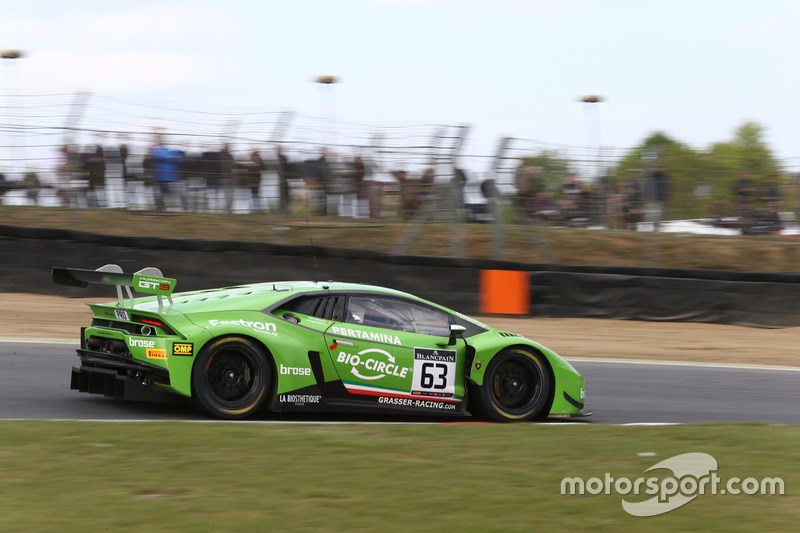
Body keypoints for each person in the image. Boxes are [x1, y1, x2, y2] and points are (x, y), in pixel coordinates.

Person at [149, 136, 187, 211]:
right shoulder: (173, 152)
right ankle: (184, 209)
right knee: (178, 193)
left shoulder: (157, 152)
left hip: (164, 177)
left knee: (161, 194)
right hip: (170, 177)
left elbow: (181, 160)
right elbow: (181, 160)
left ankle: (160, 209)